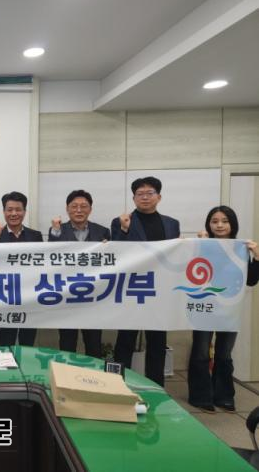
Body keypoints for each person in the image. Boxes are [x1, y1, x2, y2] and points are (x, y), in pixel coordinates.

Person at [187, 206, 259, 412]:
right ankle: (200, 396)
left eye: (225, 221)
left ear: (232, 224)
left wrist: (257, 257)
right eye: (214, 221)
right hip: (203, 306)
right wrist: (199, 245)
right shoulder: (202, 245)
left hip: (229, 310)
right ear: (208, 224)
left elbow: (251, 280)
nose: (219, 225)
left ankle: (224, 396)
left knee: (224, 354)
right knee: (201, 352)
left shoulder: (241, 248)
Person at [111, 176, 180, 386]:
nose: (145, 197)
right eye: (140, 194)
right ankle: (118, 386)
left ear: (159, 197)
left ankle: (155, 387)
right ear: (134, 198)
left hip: (160, 291)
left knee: (157, 342)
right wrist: (124, 230)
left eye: (150, 193)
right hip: (133, 289)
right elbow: (115, 253)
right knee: (125, 340)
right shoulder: (121, 221)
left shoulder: (172, 224)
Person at [49, 189, 110, 358]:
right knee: (67, 344)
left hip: (94, 296)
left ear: (90, 209)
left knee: (94, 344)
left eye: (83, 206)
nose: (79, 210)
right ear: (67, 209)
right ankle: (66, 374)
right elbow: (51, 255)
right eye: (74, 206)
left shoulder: (102, 232)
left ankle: (94, 374)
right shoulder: (57, 230)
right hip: (67, 296)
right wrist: (55, 232)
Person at [0, 191, 43, 346]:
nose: (14, 213)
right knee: (6, 341)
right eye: (9, 209)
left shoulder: (36, 236)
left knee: (27, 342)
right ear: (4, 211)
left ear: (24, 211)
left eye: (18, 209)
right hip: (5, 299)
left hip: (30, 298)